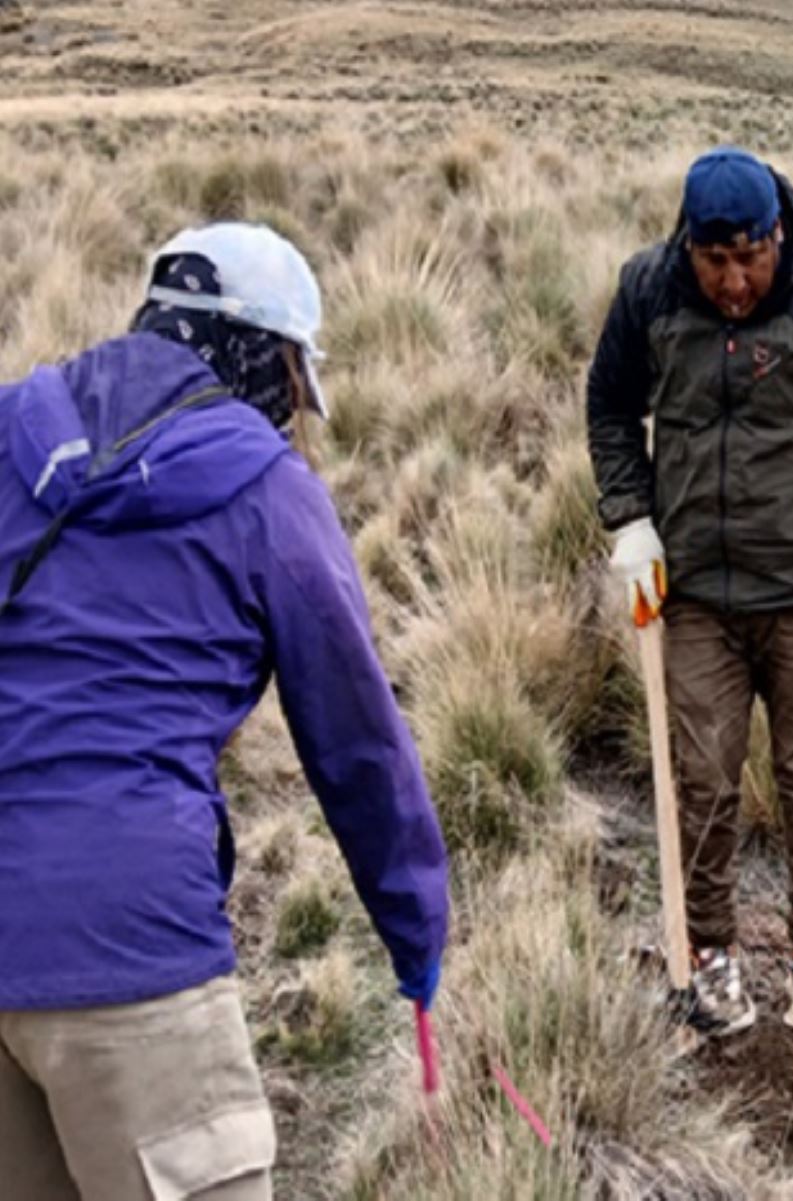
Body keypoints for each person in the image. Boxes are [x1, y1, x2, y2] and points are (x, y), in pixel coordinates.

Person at [0, 223, 450, 1199]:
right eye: (294, 381)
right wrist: (417, 935)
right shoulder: (268, 489)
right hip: (125, 937)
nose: (295, 413)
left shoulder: (8, 431)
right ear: (263, 354)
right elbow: (358, 743)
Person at [587, 147, 793, 1036]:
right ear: (688, 246)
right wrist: (629, 519)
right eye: (715, 261)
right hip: (693, 592)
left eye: (750, 258)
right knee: (703, 778)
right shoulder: (650, 292)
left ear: (777, 235)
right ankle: (711, 950)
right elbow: (610, 406)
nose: (735, 281)